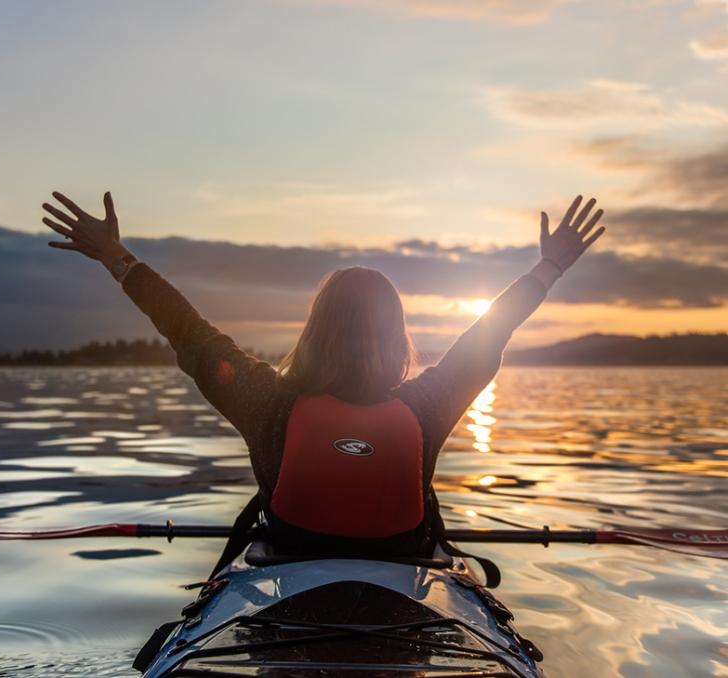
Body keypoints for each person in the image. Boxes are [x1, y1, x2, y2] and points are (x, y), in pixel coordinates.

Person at [41, 191, 605, 568]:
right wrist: (549, 267)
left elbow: (187, 329)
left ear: (315, 329)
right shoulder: (427, 405)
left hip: (289, 566)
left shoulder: (265, 401)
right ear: (397, 337)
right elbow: (492, 330)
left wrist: (117, 257)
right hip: (401, 572)